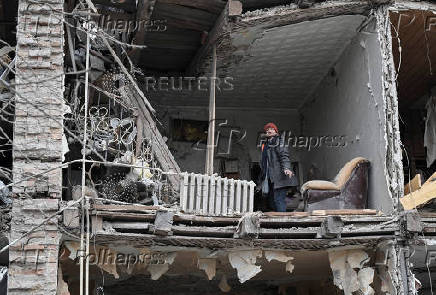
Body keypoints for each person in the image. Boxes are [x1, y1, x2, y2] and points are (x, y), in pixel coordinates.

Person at [260, 122, 297, 212]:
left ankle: (283, 222)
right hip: (270, 178)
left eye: (271, 129)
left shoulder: (279, 141)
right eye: (267, 129)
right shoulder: (265, 145)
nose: (269, 130)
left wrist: (287, 168)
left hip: (279, 176)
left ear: (276, 132)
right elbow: (265, 162)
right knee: (272, 201)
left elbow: (284, 155)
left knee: (279, 200)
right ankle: (278, 222)